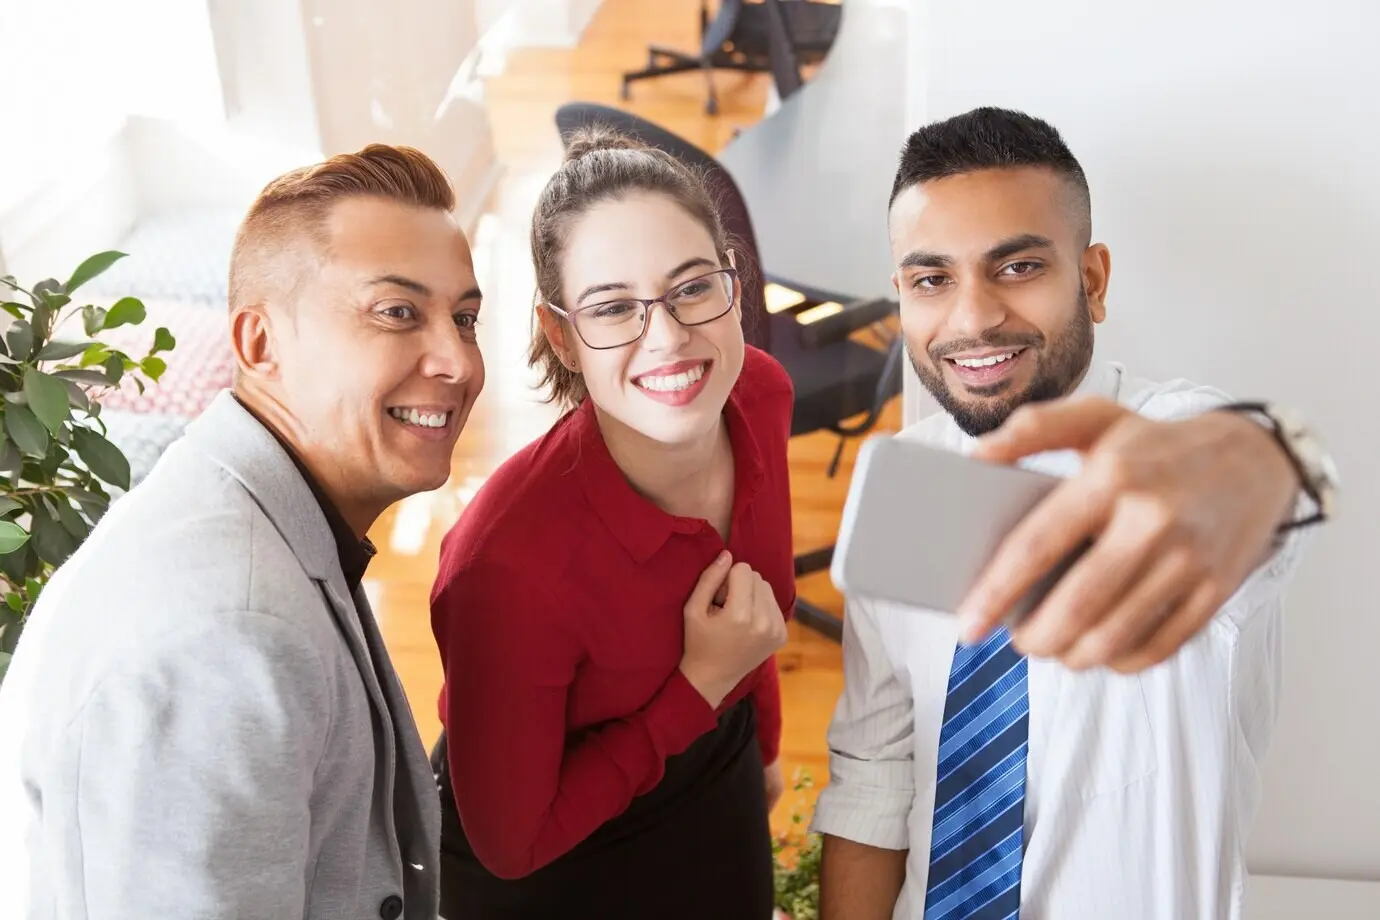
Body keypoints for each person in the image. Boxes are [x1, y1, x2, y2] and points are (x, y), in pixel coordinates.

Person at [812, 107, 1338, 920]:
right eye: (931, 280)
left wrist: (1269, 457)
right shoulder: (899, 478)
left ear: (1091, 278)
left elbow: (1262, 483)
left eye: (1017, 267)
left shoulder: (1169, 439)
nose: (973, 318)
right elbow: (875, 771)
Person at [0, 144, 485, 918]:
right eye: (397, 312)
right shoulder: (229, 637)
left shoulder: (259, 519)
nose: (457, 359)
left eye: (464, 317)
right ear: (260, 344)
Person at [427, 125, 793, 919]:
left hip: (707, 766)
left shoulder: (758, 396)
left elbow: (753, 614)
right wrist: (699, 685)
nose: (667, 337)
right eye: (614, 307)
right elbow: (512, 844)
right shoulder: (506, 568)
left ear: (735, 282)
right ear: (561, 335)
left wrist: (761, 746)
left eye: (693, 287)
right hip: (554, 866)